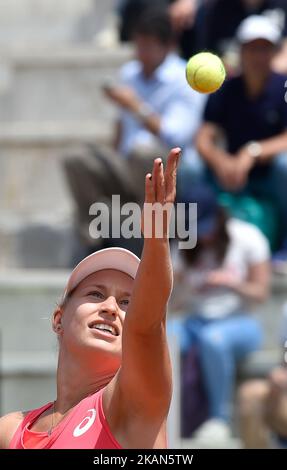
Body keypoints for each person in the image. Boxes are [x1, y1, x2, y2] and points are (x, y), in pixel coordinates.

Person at [0, 147, 181, 449]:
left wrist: (157, 239)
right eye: (96, 294)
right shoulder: (10, 431)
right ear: (59, 319)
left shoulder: (132, 404)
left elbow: (147, 326)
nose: (111, 308)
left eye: (128, 303)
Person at [64, 9, 204, 254]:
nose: (140, 53)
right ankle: (95, 242)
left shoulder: (185, 79)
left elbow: (175, 137)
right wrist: (112, 159)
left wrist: (136, 107)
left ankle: (150, 243)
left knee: (143, 153)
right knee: (76, 159)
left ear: (167, 46)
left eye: (147, 47)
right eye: (138, 46)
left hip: (168, 171)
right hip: (128, 165)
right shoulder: (129, 73)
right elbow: (120, 126)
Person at [168, 185, 270, 443]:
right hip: (196, 320)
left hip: (240, 322)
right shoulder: (184, 246)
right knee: (167, 336)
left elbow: (261, 293)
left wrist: (231, 283)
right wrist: (189, 288)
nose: (205, 237)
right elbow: (172, 304)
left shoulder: (248, 237)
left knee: (213, 340)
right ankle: (165, 414)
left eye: (207, 226)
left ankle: (219, 419)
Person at [196, 15, 287, 269]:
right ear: (241, 51)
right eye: (252, 48)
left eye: (264, 48)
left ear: (274, 52)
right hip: (230, 173)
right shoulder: (225, 89)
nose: (258, 56)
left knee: (285, 165)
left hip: (269, 174)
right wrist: (220, 160)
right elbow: (204, 136)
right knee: (191, 165)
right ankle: (192, 247)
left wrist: (252, 153)